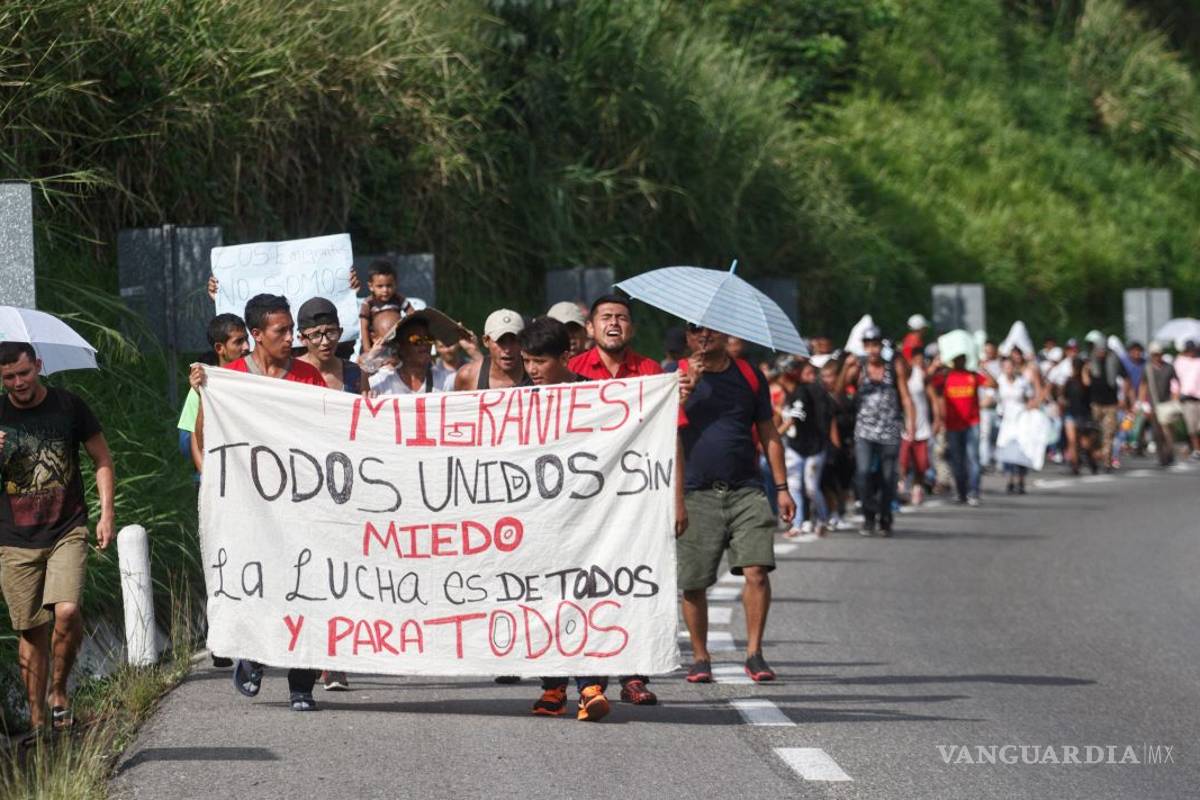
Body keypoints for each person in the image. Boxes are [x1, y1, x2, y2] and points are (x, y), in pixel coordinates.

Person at [191, 294, 328, 712]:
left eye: (291, 330)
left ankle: (301, 682)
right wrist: (217, 485)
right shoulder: (227, 378)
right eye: (281, 331)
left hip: (301, 503)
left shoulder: (308, 377)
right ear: (256, 335)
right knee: (256, 581)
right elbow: (204, 437)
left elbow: (328, 436)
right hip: (249, 507)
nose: (291, 337)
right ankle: (251, 655)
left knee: (307, 587)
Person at [566, 294, 677, 705]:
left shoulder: (651, 373)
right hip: (583, 500)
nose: (614, 324)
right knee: (582, 585)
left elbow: (671, 437)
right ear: (590, 328)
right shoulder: (572, 371)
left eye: (622, 318)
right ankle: (587, 675)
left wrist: (676, 500)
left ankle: (635, 674)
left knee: (638, 582)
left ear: (632, 328)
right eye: (606, 317)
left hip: (637, 499)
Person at [0, 341, 115, 734]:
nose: (18, 383)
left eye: (24, 373)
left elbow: (101, 458)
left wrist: (106, 514)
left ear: (39, 366)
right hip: (14, 538)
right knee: (30, 631)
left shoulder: (69, 406)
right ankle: (37, 723)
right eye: (9, 377)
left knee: (66, 611)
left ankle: (59, 692)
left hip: (68, 527)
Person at [677, 323, 795, 684]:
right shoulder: (674, 375)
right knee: (694, 582)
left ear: (725, 334)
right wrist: (685, 391)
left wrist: (782, 487)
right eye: (695, 331)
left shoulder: (748, 374)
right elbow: (655, 429)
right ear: (687, 337)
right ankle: (700, 656)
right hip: (695, 492)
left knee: (757, 571)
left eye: (710, 330)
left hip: (747, 489)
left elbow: (768, 431)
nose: (703, 336)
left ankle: (754, 652)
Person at [512, 318, 612, 720]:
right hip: (536, 520)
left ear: (565, 357)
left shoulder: (594, 395)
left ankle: (590, 684)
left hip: (587, 518)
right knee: (544, 599)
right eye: (526, 361)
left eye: (539, 361)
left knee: (588, 595)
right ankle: (553, 687)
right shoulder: (514, 400)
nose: (533, 370)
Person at [177, 313, 249, 669]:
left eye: (247, 339)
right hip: (217, 488)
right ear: (221, 348)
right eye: (238, 341)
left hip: (254, 489)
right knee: (222, 561)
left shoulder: (256, 379)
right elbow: (186, 440)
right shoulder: (203, 385)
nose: (246, 346)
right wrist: (210, 478)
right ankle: (222, 633)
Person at [836, 326, 916, 535]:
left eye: (876, 345)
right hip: (864, 431)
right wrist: (845, 368)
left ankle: (885, 516)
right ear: (864, 347)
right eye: (869, 345)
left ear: (881, 346)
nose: (873, 350)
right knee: (863, 473)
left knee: (888, 477)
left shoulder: (892, 367)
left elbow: (906, 397)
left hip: (889, 430)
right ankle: (869, 515)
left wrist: (911, 424)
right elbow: (838, 392)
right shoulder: (859, 369)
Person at [780, 359, 836, 537]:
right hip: (796, 446)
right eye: (807, 373)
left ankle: (822, 519)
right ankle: (797, 524)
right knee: (794, 485)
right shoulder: (792, 393)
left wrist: (774, 435)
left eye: (813, 373)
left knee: (811, 487)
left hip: (815, 447)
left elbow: (793, 419)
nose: (811, 377)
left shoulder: (810, 393)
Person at [932, 354, 996, 505]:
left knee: (973, 457)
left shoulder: (973, 376)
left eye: (963, 358)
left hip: (972, 423)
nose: (960, 361)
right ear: (953, 360)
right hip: (953, 425)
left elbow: (994, 384)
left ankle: (973, 492)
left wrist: (984, 368)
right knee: (957, 460)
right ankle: (961, 493)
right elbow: (928, 382)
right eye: (957, 359)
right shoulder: (946, 376)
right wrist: (935, 366)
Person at [368, 313, 457, 395]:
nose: (425, 344)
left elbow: (469, 376)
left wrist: (471, 349)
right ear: (400, 348)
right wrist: (369, 359)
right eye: (416, 340)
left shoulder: (445, 380)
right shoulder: (381, 383)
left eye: (429, 338)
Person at [296, 298, 362, 395]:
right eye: (316, 335)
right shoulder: (290, 373)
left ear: (340, 333)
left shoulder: (357, 375)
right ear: (302, 339)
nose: (325, 342)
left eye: (331, 332)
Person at [454, 309, 531, 390]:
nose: (507, 349)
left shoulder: (536, 374)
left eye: (514, 340)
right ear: (486, 341)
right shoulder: (467, 376)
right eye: (500, 341)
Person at [898, 344, 937, 506]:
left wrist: (938, 419)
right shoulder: (895, 377)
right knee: (903, 461)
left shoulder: (920, 375)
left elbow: (933, 398)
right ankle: (901, 487)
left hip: (922, 426)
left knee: (921, 464)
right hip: (903, 427)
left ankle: (917, 487)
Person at [996, 355, 1036, 493]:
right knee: (1007, 450)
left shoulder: (1022, 382)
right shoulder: (999, 381)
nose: (1008, 369)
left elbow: (1031, 398)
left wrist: (1030, 413)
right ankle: (1010, 479)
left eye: (1010, 366)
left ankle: (1021, 480)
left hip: (1021, 418)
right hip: (1006, 419)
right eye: (1006, 367)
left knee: (1021, 449)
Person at [1086, 337, 1125, 471]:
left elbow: (1126, 379)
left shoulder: (1114, 360)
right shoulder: (1090, 361)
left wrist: (1124, 398)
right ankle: (1093, 456)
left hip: (1111, 403)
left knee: (1109, 433)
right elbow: (1084, 380)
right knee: (1094, 433)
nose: (1101, 352)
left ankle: (1107, 461)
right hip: (1095, 403)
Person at [358, 259, 413, 353]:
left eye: (389, 285)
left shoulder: (398, 299)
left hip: (396, 343)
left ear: (395, 284)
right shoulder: (368, 303)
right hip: (375, 344)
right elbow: (364, 328)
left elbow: (412, 314)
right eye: (380, 286)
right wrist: (368, 350)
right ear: (371, 286)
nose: (385, 290)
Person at [1141, 341, 1180, 465]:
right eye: (1154, 354)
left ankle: (1170, 453)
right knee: (1157, 432)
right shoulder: (1147, 368)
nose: (1157, 357)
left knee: (1168, 431)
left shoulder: (1169, 367)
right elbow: (1143, 386)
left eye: (1159, 354)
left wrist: (1175, 398)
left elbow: (1176, 383)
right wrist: (1143, 403)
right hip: (1153, 405)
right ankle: (1162, 457)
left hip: (1167, 403)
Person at [1173, 340, 1200, 459]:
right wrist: (1175, 393)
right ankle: (1196, 449)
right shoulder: (1179, 362)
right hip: (1187, 398)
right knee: (1191, 426)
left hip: (1198, 396)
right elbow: (1175, 379)